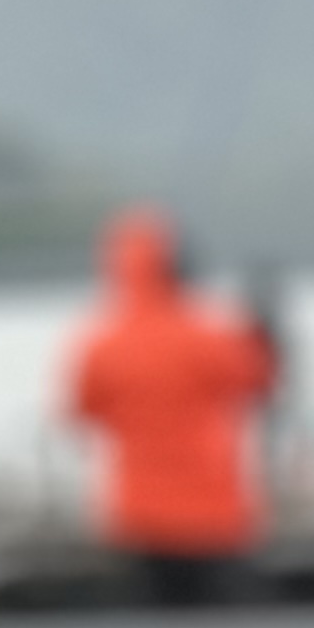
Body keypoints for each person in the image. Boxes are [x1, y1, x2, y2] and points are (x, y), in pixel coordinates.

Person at [67, 207, 274, 598]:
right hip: (213, 509)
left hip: (136, 514)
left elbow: (81, 413)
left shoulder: (100, 345)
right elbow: (258, 383)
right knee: (224, 622)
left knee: (153, 623)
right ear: (178, 267)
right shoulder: (210, 336)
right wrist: (263, 334)